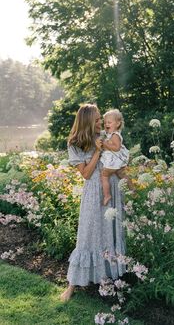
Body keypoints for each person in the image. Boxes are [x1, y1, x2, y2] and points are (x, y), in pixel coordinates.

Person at [60, 104, 126, 302]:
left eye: (101, 119)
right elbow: (86, 174)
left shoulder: (108, 136)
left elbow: (118, 161)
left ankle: (109, 278)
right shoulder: (75, 143)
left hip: (111, 188)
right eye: (97, 119)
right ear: (88, 120)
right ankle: (72, 284)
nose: (101, 123)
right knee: (87, 235)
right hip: (93, 193)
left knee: (109, 231)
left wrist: (127, 182)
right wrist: (97, 151)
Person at [100, 109, 133, 205]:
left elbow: (117, 148)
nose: (106, 124)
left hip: (112, 161)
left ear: (118, 124)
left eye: (109, 122)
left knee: (104, 175)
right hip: (116, 162)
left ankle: (107, 195)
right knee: (122, 174)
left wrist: (105, 144)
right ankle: (132, 189)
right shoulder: (109, 134)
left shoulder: (115, 135)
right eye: (105, 122)